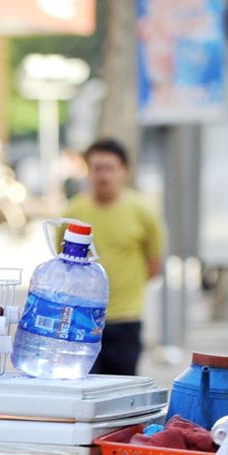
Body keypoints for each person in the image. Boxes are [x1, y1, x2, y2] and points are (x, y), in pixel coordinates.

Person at [64, 139, 166, 376]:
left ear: (123, 171)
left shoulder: (143, 212)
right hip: (81, 319)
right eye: (97, 168)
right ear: (87, 171)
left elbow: (154, 265)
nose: (103, 176)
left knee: (121, 391)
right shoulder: (73, 213)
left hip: (125, 320)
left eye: (109, 168)